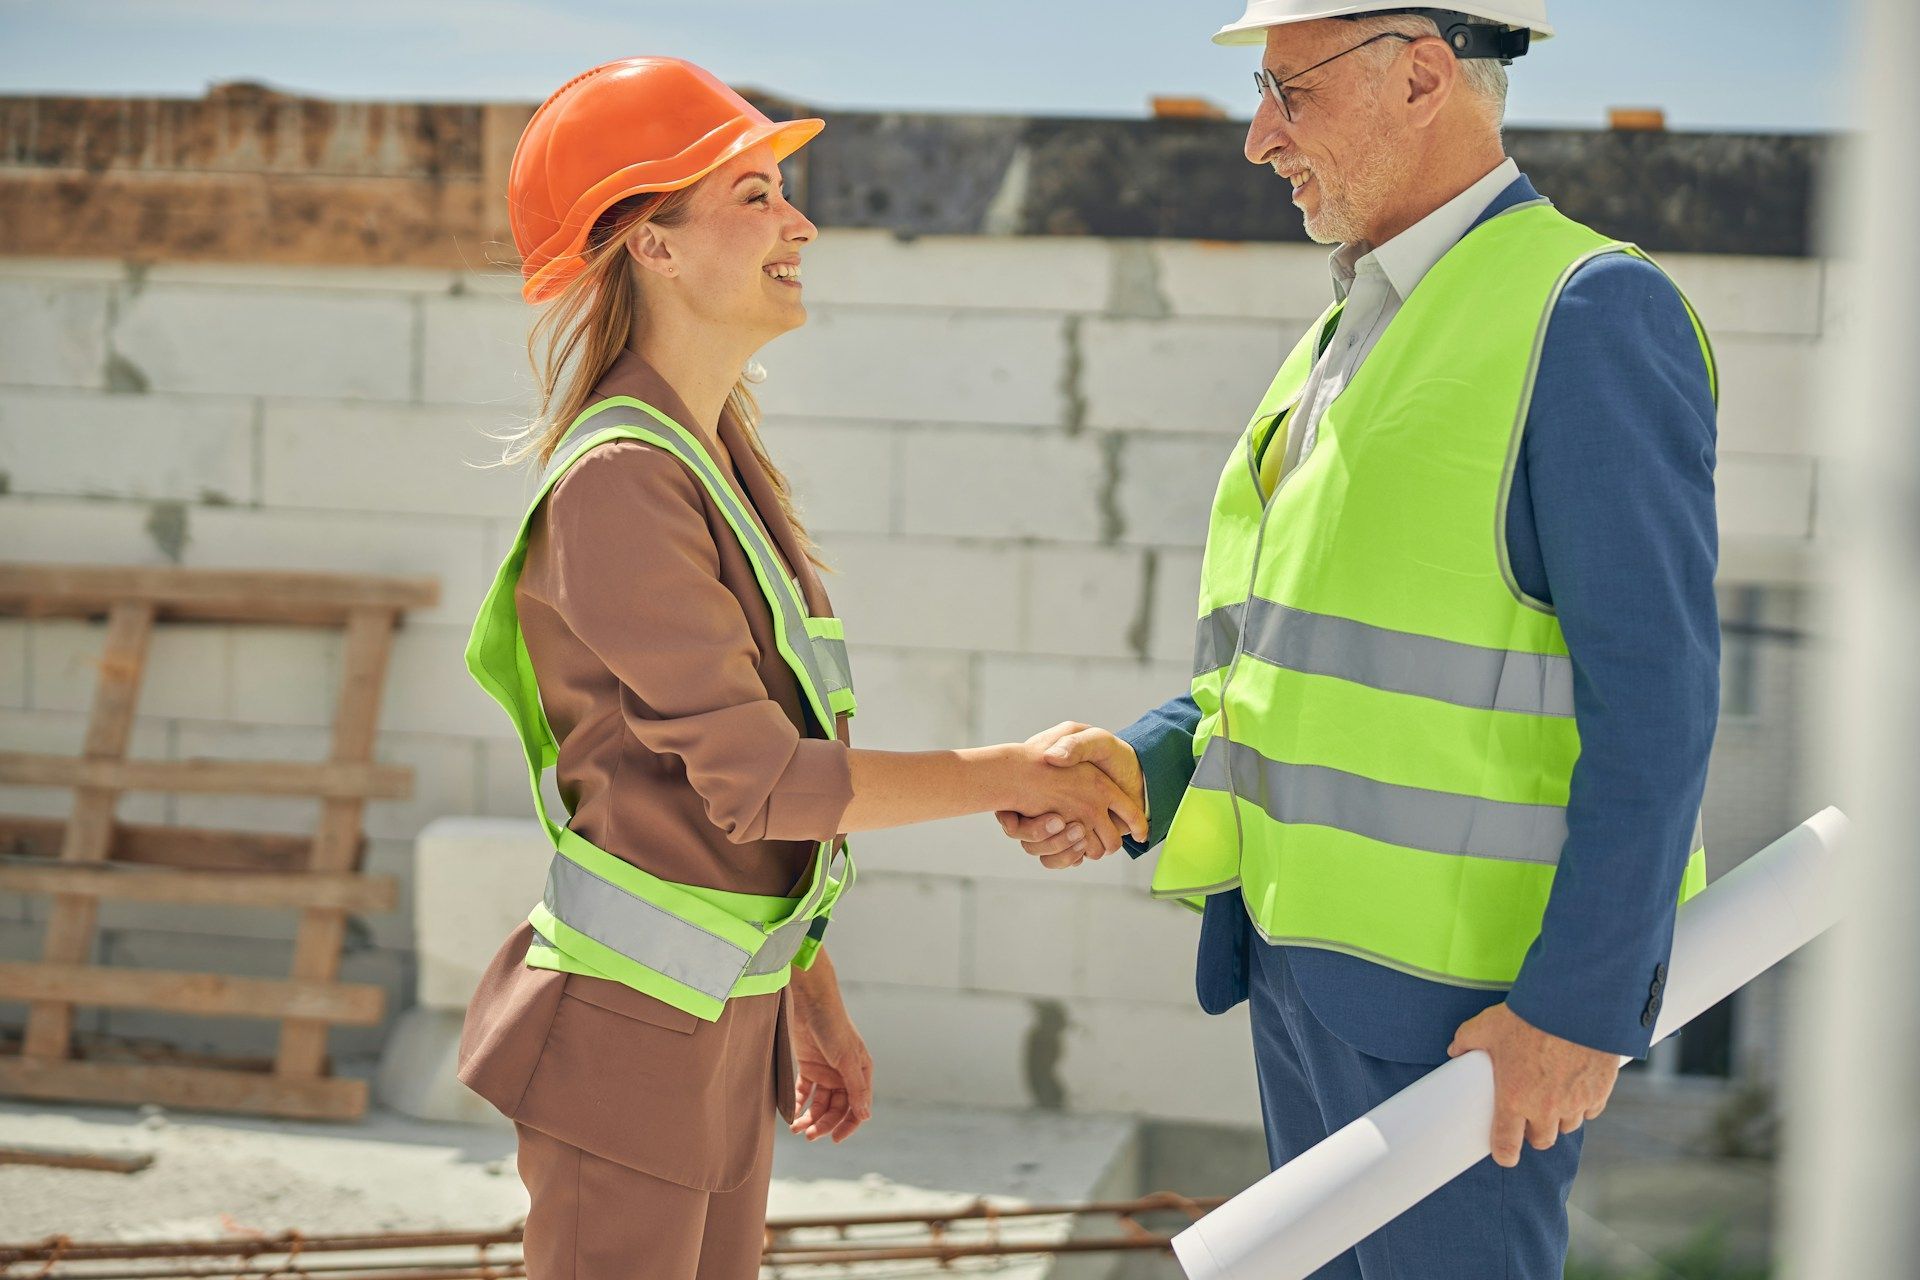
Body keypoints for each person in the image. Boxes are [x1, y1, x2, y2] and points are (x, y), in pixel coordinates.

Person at [998, 4, 1720, 1275]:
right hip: (1302, 977)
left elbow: (1656, 699)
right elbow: (1289, 654)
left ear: (1424, 76)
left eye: (1289, 91)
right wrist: (1146, 763)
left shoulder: (1588, 312)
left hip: (1473, 1025)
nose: (1259, 138)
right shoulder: (1354, 321)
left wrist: (1577, 1010)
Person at [457, 57, 1144, 1280]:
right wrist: (1013, 771)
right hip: (628, 1048)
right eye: (755, 194)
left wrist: (808, 995)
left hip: (715, 1026)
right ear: (651, 244)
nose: (801, 222)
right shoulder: (625, 480)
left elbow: (718, 791)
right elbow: (762, 783)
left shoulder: (710, 460)